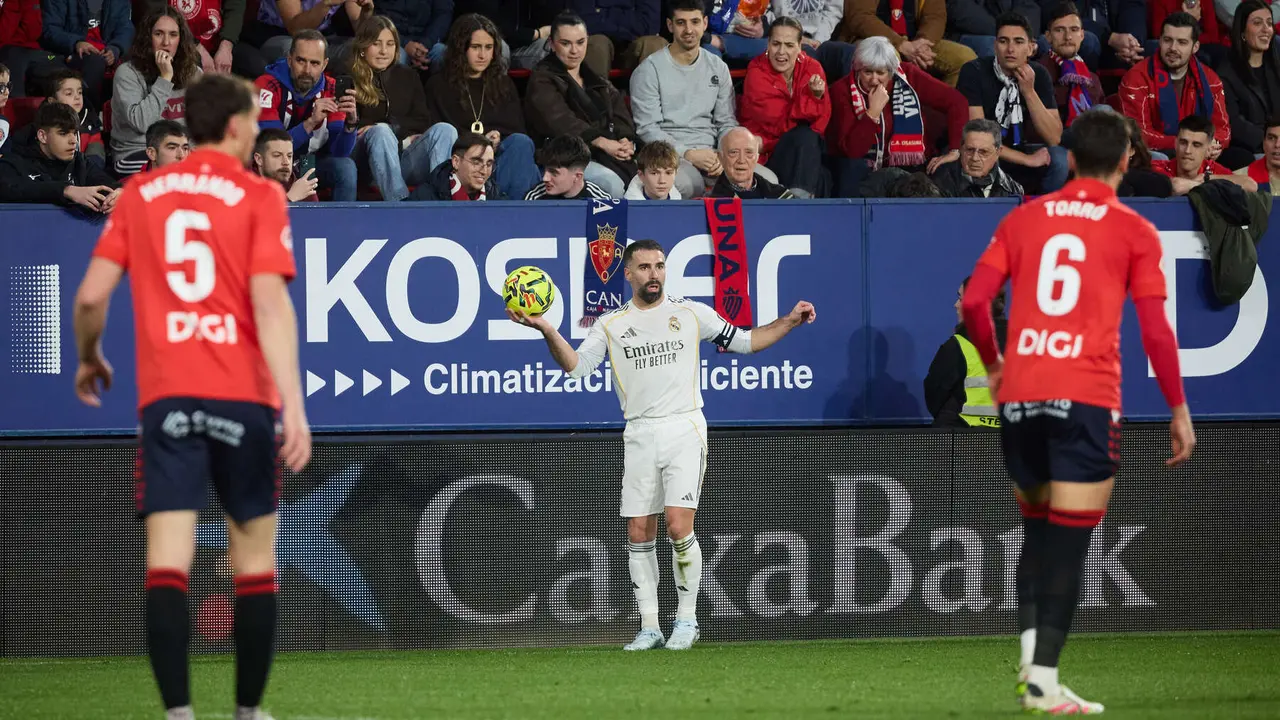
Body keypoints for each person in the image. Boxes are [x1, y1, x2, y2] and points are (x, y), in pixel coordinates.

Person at [71, 73, 311, 720]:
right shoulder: (261, 196)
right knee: (255, 565)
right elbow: (270, 306)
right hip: (246, 402)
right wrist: (293, 401)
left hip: (169, 402)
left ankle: (178, 713)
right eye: (254, 123)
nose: (259, 131)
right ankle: (248, 712)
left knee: (166, 567)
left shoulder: (141, 193)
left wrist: (90, 357)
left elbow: (91, 297)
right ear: (234, 127)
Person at [960, 108, 1194, 714]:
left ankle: (1035, 670)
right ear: (1125, 161)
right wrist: (1177, 407)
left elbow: (977, 301)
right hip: (1086, 396)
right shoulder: (1133, 229)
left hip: (1021, 395)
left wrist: (993, 365)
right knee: (1068, 543)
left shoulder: (1027, 216)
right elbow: (1156, 330)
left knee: (1038, 534)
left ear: (1068, 158)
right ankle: (1041, 681)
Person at [508, 238, 816, 651]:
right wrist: (547, 328)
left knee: (677, 523)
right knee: (638, 531)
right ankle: (650, 626)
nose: (654, 274)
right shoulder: (610, 324)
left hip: (684, 427)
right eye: (645, 267)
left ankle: (686, 620)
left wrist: (790, 321)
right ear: (629, 274)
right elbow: (578, 369)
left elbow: (744, 341)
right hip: (639, 432)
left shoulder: (690, 312)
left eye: (660, 266)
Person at [423, 14, 542, 201]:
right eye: (475, 47)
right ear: (461, 49)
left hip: (496, 161)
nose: (483, 55)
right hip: (461, 161)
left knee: (521, 143)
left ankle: (514, 216)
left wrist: (497, 140)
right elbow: (440, 137)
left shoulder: (503, 84)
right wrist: (478, 144)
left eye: (488, 48)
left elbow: (516, 130)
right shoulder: (439, 85)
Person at [830, 35, 967, 197]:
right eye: (867, 72)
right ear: (857, 69)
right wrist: (872, 113)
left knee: (945, 170)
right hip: (864, 169)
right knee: (853, 168)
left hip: (912, 164)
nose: (874, 80)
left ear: (891, 71)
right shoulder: (841, 91)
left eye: (880, 72)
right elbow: (852, 151)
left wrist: (955, 150)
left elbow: (957, 102)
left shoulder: (907, 75)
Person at [525, 11, 640, 200]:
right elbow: (560, 121)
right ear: (552, 44)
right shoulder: (541, 78)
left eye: (580, 42)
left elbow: (620, 112)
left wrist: (625, 140)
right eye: (565, 43)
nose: (574, 51)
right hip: (563, 159)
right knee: (611, 184)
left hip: (606, 153)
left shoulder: (595, 78)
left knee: (651, 179)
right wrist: (602, 142)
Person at [631, 0, 739, 199]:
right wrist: (688, 154)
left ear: (705, 23)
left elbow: (726, 121)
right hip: (669, 157)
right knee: (683, 186)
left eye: (695, 22)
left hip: (714, 154)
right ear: (670, 25)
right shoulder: (649, 70)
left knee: (764, 180)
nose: (689, 29)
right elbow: (647, 129)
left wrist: (725, 153)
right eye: (681, 23)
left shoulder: (718, 67)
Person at [957, 12, 1068, 193]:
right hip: (986, 152)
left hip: (1021, 146)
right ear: (994, 45)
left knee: (1059, 159)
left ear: (1031, 48)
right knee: (981, 155)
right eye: (1003, 41)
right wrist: (1026, 159)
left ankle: (1043, 213)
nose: (1010, 49)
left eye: (1018, 42)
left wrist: (1029, 92)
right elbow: (977, 137)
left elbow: (1054, 137)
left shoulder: (1039, 74)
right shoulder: (973, 71)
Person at [349, 15, 451, 202]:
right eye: (376, 43)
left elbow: (422, 120)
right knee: (380, 132)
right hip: (365, 161)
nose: (383, 51)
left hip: (401, 158)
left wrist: (395, 132)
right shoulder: (349, 77)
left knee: (445, 130)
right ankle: (400, 204)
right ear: (363, 47)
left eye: (390, 44)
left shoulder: (408, 76)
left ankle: (441, 200)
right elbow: (354, 126)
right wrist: (391, 132)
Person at [255, 30, 359, 201]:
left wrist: (351, 124)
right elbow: (272, 149)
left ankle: (344, 227)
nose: (307, 70)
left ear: (325, 64)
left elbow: (339, 152)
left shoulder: (332, 89)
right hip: (274, 163)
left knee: (346, 167)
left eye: (315, 63)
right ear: (289, 59)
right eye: (301, 61)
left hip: (309, 162)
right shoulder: (266, 86)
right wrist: (310, 123)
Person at [1119, 12, 1230, 162]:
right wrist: (1190, 145)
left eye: (1182, 42)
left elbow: (1222, 129)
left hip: (1202, 153)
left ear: (1195, 46)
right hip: (1156, 155)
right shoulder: (1136, 78)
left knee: (1241, 158)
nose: (1173, 48)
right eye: (1167, 40)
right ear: (1159, 41)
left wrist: (1214, 144)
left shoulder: (1211, 80)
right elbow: (1139, 134)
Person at [739, 16, 831, 197]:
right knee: (805, 137)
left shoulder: (812, 68)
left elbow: (821, 125)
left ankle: (798, 204)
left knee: (823, 174)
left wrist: (815, 99)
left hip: (796, 148)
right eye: (776, 44)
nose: (781, 52)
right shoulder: (756, 71)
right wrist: (812, 101)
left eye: (789, 45)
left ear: (800, 46)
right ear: (767, 43)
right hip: (766, 155)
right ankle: (798, 207)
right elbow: (775, 123)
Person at [110, 8, 201, 176]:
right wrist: (165, 78)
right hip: (136, 152)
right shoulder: (127, 73)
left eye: (173, 35)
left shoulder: (194, 74)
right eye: (159, 34)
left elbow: (200, 129)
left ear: (180, 40)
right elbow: (142, 123)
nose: (166, 42)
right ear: (147, 38)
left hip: (182, 154)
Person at [0, 101, 118, 208]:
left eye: (74, 133)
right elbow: (10, 189)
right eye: (63, 133)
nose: (74, 141)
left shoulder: (80, 162)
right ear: (43, 136)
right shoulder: (14, 162)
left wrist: (118, 193)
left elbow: (109, 185)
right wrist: (66, 190)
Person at [924, 276, 1007, 428]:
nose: (956, 305)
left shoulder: (957, 346)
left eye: (961, 299)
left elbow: (934, 395)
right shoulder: (1023, 345)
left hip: (964, 442)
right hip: (1013, 444)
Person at [1217, 0, 1280, 170]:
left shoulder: (1276, 65)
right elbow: (1235, 124)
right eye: (1258, 23)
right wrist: (1272, 141)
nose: (1266, 29)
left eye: (1269, 23)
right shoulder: (1225, 74)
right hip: (1253, 148)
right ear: (1243, 33)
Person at [39, 0, 135, 109]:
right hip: (68, 52)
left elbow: (125, 28)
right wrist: (76, 43)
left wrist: (115, 49)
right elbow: (50, 30)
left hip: (107, 50)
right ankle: (90, 114)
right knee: (95, 62)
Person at [1150, 114, 1258, 193]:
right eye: (1183, 143)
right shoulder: (1159, 167)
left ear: (1208, 148)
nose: (1188, 151)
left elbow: (1251, 185)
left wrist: (1206, 179)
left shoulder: (1211, 170)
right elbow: (1176, 186)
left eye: (1196, 145)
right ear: (1175, 143)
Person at [1037, 3, 1105, 128]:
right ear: (1048, 37)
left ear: (1082, 35)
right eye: (1059, 30)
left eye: (1074, 30)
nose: (1067, 37)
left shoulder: (1093, 78)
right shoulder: (1039, 73)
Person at [930, 118, 1025, 196]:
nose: (975, 158)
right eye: (970, 150)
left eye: (983, 152)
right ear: (961, 148)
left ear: (998, 153)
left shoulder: (1013, 190)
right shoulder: (940, 185)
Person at [409, 132, 504, 200]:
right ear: (456, 162)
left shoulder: (496, 199)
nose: (484, 171)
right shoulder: (424, 198)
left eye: (489, 164)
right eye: (476, 162)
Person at [707, 126, 795, 198]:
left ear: (757, 157)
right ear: (720, 157)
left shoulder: (781, 198)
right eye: (734, 152)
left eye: (748, 152)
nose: (741, 160)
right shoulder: (711, 203)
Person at [524, 133, 614, 200]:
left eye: (554, 173)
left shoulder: (602, 202)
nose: (545, 178)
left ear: (577, 176)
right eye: (545, 170)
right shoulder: (534, 198)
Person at [253, 126, 321, 202]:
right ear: (259, 159)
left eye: (289, 156)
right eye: (277, 155)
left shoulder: (304, 190)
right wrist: (290, 198)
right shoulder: (243, 187)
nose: (286, 162)